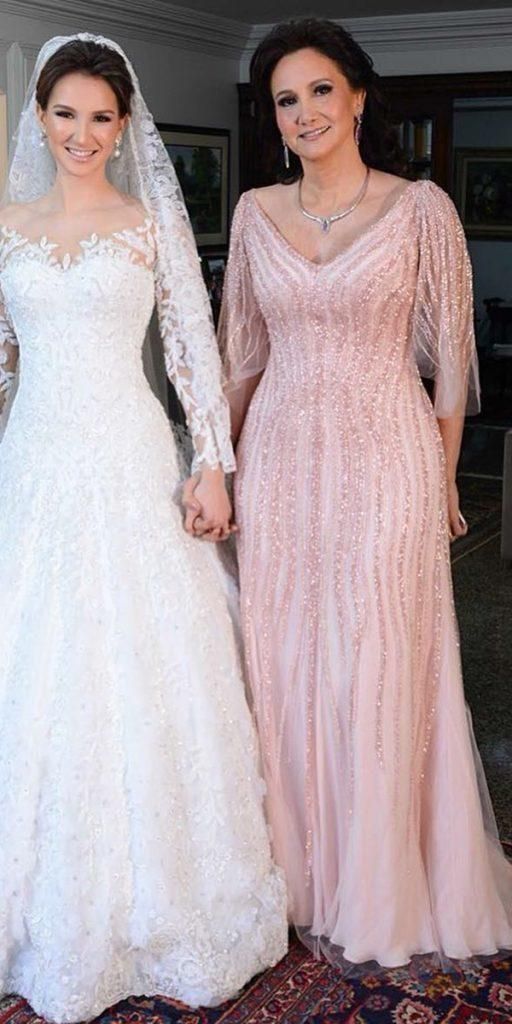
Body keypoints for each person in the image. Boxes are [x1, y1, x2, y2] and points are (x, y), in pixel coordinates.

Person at [0, 33, 287, 1024]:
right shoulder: (4, 221)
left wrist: (211, 459)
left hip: (127, 455)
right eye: (65, 113)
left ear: (125, 129)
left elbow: (191, 345)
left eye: (101, 116)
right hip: (32, 461)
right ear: (40, 117)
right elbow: (2, 356)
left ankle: (160, 906)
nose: (82, 132)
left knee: (131, 659)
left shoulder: (146, 222)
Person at [215, 18, 512, 973]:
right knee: (286, 651)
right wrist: (214, 464)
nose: (303, 113)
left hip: (388, 451)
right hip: (283, 459)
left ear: (358, 97)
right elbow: (240, 360)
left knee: (380, 648)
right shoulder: (258, 212)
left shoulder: (422, 208)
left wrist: (439, 481)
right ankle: (298, 873)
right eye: (285, 100)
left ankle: (381, 877)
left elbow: (452, 372)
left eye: (319, 92)